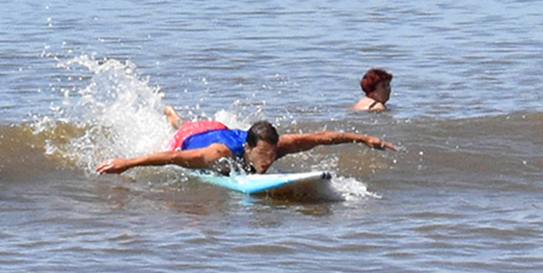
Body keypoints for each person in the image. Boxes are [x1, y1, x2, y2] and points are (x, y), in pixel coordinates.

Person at [94, 108, 393, 177]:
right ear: (248, 149)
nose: (267, 162)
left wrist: (366, 138)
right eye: (262, 156)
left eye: (272, 155)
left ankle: (175, 115)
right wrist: (126, 163)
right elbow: (169, 158)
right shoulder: (216, 154)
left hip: (219, 127)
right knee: (182, 127)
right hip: (195, 135)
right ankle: (173, 118)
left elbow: (322, 138)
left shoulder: (277, 146)